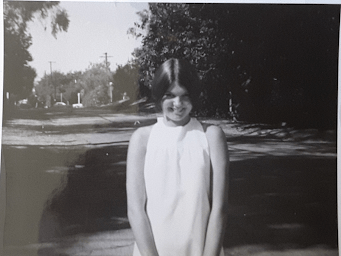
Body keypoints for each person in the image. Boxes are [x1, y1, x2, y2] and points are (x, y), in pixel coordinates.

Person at [126, 58, 229, 256]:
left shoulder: (211, 136)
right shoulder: (142, 140)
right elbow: (135, 211)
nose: (178, 103)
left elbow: (220, 209)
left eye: (185, 95)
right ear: (158, 96)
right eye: (169, 95)